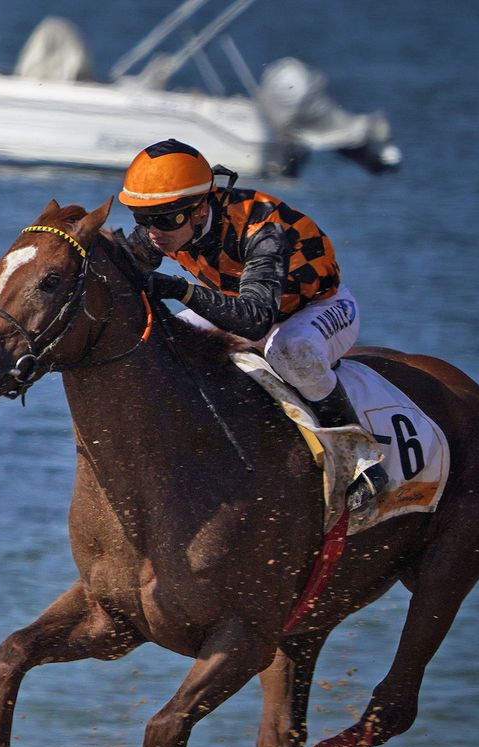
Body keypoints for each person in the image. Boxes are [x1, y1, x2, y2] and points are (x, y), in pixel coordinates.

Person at [118, 138, 387, 508]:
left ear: (199, 210)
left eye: (165, 219)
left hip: (317, 308)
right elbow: (120, 267)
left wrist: (179, 289)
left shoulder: (263, 229)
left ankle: (360, 460)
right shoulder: (163, 229)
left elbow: (255, 321)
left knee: (290, 351)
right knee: (170, 338)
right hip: (242, 305)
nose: (152, 233)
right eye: (142, 218)